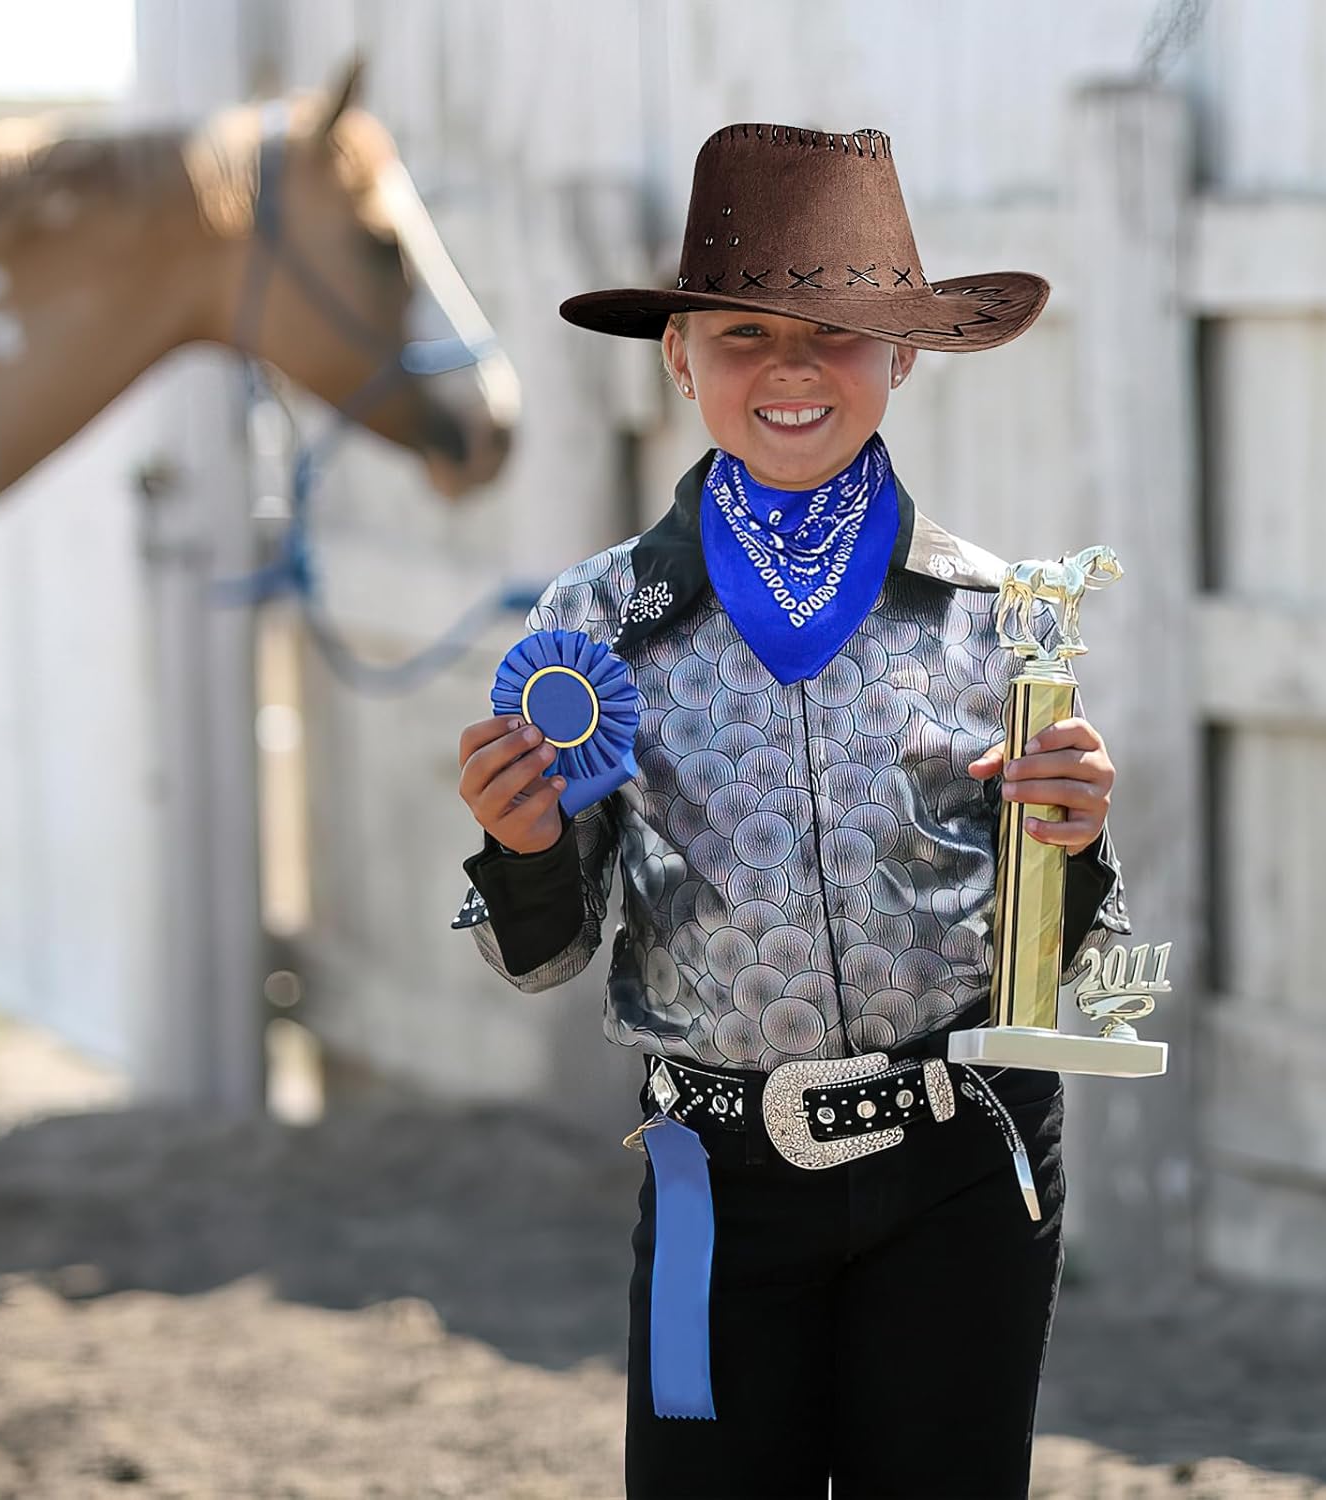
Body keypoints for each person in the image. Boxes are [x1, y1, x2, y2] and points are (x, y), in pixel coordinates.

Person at [453, 122, 1130, 1500]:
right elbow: (539, 956)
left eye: (836, 331)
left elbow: (1062, 972)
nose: (793, 369)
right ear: (680, 359)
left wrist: (1079, 845)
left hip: (963, 1167)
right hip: (719, 1185)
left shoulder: (1003, 621)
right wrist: (523, 845)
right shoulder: (598, 627)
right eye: (747, 333)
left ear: (903, 357)